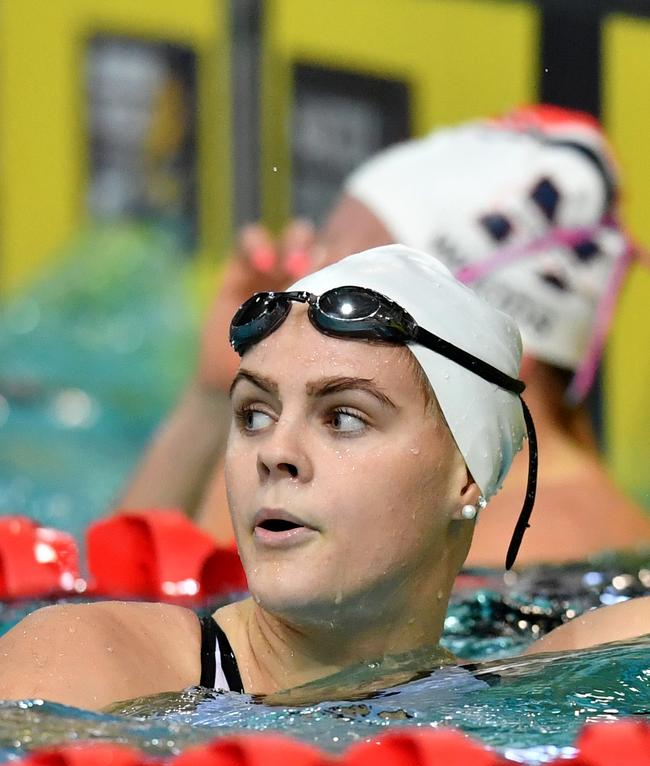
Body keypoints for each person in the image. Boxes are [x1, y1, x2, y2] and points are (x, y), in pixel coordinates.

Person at [1, 245, 649, 712]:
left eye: (343, 417)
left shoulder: (538, 685)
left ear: (466, 478)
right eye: (254, 413)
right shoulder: (87, 666)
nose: (275, 452)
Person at [120, 105, 650, 566]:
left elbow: (204, 633)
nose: (300, 297)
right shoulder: (407, 507)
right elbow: (119, 607)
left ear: (497, 345)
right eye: (317, 263)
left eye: (351, 290)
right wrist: (216, 393)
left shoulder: (544, 548)